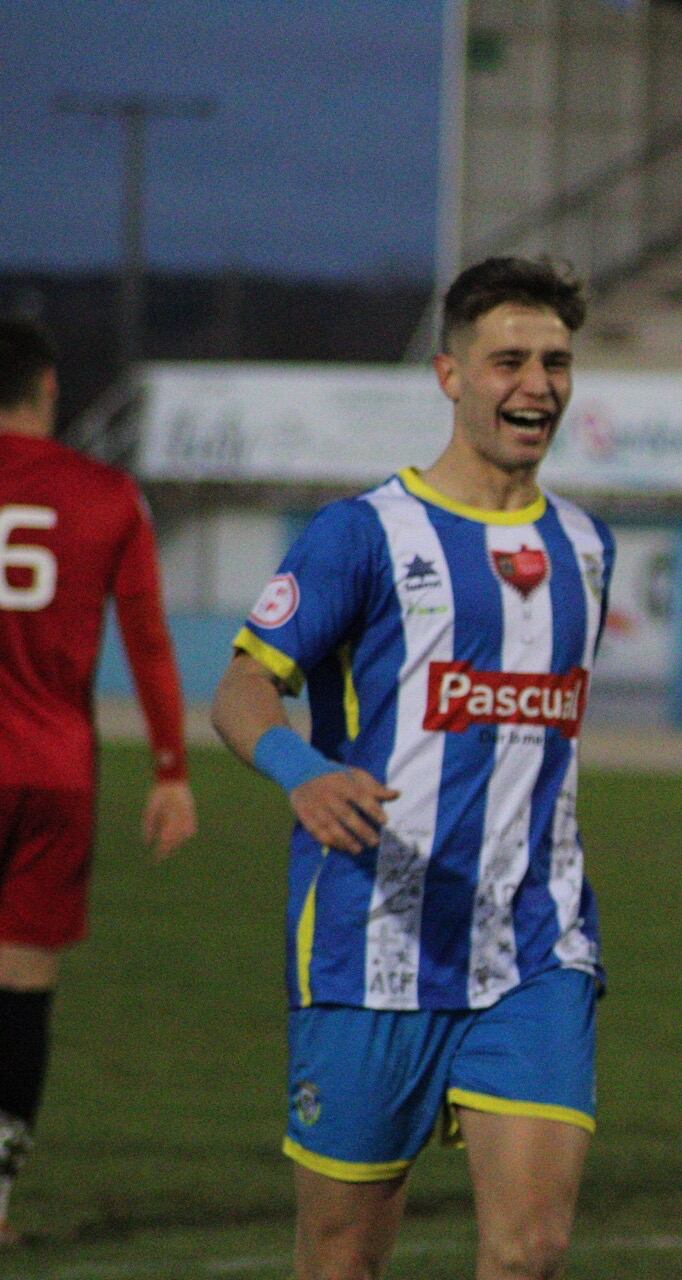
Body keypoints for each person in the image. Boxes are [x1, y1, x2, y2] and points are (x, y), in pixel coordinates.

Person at [209, 258, 612, 1280]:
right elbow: (241, 688)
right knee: (342, 1256)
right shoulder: (362, 533)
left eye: (555, 361)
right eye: (508, 360)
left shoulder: (586, 546)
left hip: (535, 944)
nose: (537, 384)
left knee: (532, 1248)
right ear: (449, 374)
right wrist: (302, 767)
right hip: (367, 942)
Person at [0, 317, 197, 1245]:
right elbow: (148, 640)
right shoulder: (105, 493)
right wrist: (170, 771)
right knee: (23, 980)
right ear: (46, 390)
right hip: (52, 775)